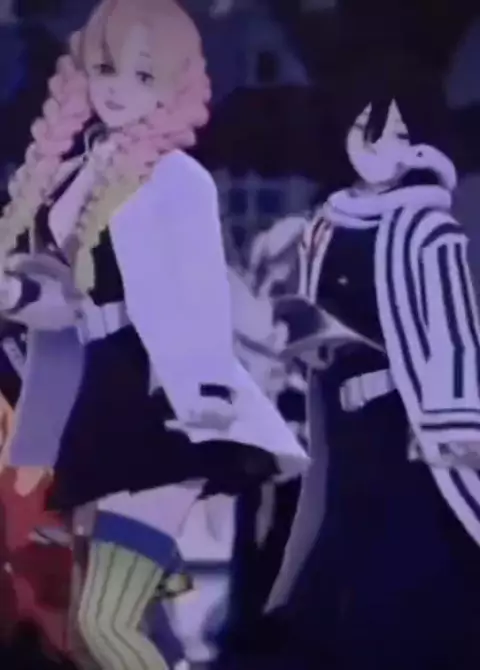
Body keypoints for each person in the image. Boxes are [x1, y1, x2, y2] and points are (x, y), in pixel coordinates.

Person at [0, 1, 309, 669]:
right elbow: (68, 300)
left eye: (143, 75)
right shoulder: (77, 172)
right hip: (92, 404)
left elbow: (198, 296)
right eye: (107, 68)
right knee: (90, 633)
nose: (117, 89)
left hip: (156, 407)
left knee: (106, 623)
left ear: (174, 84)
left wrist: (203, 396)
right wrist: (17, 295)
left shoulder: (176, 179)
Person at [262, 85, 480, 668]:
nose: (378, 144)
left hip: (405, 423)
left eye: (398, 134)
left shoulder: (429, 228)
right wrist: (302, 348)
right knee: (335, 536)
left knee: (403, 560)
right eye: (368, 127)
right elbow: (308, 308)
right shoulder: (324, 225)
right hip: (337, 413)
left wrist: (459, 421)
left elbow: (455, 330)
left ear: (421, 148)